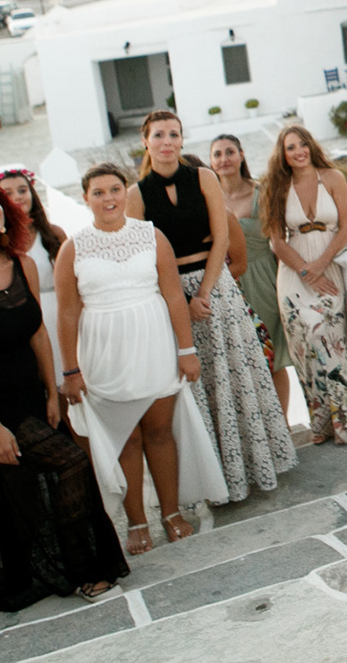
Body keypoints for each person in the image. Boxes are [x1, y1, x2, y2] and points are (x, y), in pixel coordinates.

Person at [0, 176, 128, 612]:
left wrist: (51, 391)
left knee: (34, 485)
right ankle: (80, 568)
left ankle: (49, 568)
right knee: (68, 464)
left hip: (31, 395)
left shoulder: (23, 263)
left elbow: (37, 329)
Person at [56, 164, 228, 555]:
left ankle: (170, 513)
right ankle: (136, 522)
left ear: (125, 192)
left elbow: (172, 296)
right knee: (127, 440)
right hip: (103, 355)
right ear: (86, 199)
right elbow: (67, 313)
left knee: (160, 432)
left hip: (154, 347)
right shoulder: (74, 248)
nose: (108, 198)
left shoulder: (152, 236)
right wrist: (71, 370)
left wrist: (187, 350)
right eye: (98, 192)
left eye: (114, 189)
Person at [127, 112, 295, 499]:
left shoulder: (203, 179)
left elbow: (221, 238)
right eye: (158, 135)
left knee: (235, 377)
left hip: (216, 287)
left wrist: (202, 293)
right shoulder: (136, 195)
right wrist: (181, 301)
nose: (166, 141)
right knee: (200, 386)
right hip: (170, 296)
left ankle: (253, 467)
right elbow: (141, 257)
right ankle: (216, 478)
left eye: (174, 134)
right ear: (146, 142)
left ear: (182, 141)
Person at [262, 124, 347, 445]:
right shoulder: (278, 187)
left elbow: (346, 229)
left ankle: (346, 420)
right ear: (284, 155)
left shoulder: (332, 178)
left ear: (311, 146)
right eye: (291, 147)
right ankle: (320, 424)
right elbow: (277, 242)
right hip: (293, 274)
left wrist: (320, 268)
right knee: (304, 346)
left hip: (327, 264)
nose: (298, 151)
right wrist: (306, 271)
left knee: (327, 335)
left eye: (303, 144)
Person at [210, 133, 293, 417]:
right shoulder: (207, 199)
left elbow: (280, 238)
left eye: (230, 152)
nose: (224, 159)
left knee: (274, 358)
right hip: (228, 282)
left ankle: (282, 423)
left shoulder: (262, 192)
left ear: (242, 155)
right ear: (211, 161)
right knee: (244, 360)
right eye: (217, 154)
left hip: (265, 279)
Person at [0, 167, 68, 385]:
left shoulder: (53, 234)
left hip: (59, 316)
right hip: (23, 322)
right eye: (8, 193)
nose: (17, 197)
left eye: (22, 190)